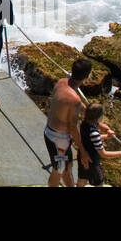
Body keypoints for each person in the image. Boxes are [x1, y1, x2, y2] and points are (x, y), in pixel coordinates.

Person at [44, 57, 92, 187]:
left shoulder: (61, 82)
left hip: (52, 134)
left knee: (67, 167)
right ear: (87, 76)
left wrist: (91, 115)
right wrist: (82, 150)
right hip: (58, 141)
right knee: (58, 170)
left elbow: (70, 104)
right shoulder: (74, 99)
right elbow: (73, 128)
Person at [76, 101, 121, 187]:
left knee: (82, 178)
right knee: (99, 183)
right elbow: (103, 154)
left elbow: (89, 139)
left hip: (82, 157)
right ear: (99, 118)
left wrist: (105, 136)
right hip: (93, 163)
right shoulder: (94, 133)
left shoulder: (84, 124)